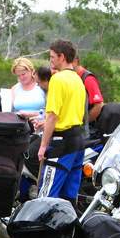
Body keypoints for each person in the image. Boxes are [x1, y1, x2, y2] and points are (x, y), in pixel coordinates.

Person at [37, 39, 87, 202]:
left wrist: (43, 146)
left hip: (62, 143)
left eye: (52, 57)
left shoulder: (58, 79)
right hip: (78, 142)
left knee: (46, 196)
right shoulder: (78, 79)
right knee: (68, 197)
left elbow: (52, 116)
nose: (50, 60)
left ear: (62, 57)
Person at [70, 58, 105, 127]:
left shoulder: (88, 79)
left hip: (85, 129)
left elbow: (98, 105)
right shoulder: (71, 77)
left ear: (76, 61)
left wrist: (84, 123)